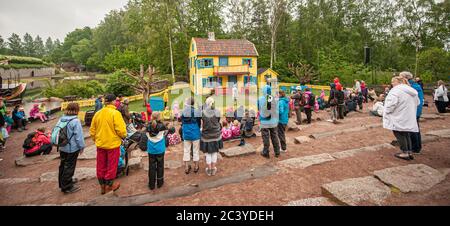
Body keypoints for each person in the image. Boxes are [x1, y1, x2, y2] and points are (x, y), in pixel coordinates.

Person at [90, 94, 127, 195]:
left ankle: (102, 185)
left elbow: (92, 130)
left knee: (101, 164)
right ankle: (109, 185)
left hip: (100, 144)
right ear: (113, 101)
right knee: (112, 165)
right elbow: (122, 130)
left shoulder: (98, 113)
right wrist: (123, 136)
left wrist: (96, 139)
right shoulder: (115, 113)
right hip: (112, 144)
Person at [383, 76, 419, 161]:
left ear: (398, 82)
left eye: (393, 82)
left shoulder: (396, 90)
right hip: (408, 115)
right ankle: (409, 151)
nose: (392, 84)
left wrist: (387, 111)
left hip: (398, 116)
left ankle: (405, 152)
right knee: (406, 133)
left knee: (399, 133)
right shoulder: (411, 90)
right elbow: (418, 102)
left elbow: (391, 104)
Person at [57, 103, 85, 194]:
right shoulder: (75, 121)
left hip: (62, 147)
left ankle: (62, 183)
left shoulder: (61, 118)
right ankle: (67, 187)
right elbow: (79, 136)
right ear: (77, 110)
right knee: (69, 166)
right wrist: (81, 147)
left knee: (63, 165)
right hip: (72, 148)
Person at [400, 71, 424, 154]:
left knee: (413, 129)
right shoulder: (412, 85)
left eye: (400, 77)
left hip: (414, 111)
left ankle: (415, 148)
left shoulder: (413, 86)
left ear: (405, 78)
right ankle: (415, 147)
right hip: (414, 110)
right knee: (414, 129)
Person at [200, 97, 223, 176]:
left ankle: (210, 169)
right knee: (214, 152)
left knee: (208, 153)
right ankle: (212, 168)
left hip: (207, 135)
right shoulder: (217, 111)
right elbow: (218, 121)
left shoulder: (203, 112)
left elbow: (202, 123)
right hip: (215, 134)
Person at [145, 112, 168, 190]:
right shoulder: (162, 126)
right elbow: (163, 134)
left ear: (151, 117)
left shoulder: (148, 126)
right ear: (159, 117)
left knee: (151, 167)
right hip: (160, 148)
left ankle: (151, 184)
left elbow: (147, 135)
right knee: (160, 166)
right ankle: (160, 183)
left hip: (151, 149)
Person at [258, 85, 280, 158]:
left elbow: (259, 108)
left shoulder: (260, 99)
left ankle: (266, 152)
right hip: (273, 121)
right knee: (274, 136)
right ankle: (277, 152)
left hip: (264, 121)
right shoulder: (274, 99)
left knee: (265, 137)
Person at [181, 97, 201, 174]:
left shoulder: (183, 111)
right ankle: (196, 166)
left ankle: (186, 167)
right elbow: (199, 121)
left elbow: (181, 120)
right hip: (195, 131)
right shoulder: (196, 111)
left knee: (186, 150)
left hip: (186, 131)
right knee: (195, 150)